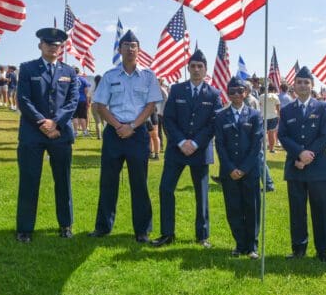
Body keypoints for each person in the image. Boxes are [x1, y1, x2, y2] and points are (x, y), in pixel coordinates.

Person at [89, 30, 162, 241]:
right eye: (126, 45)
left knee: (139, 183)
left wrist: (131, 126)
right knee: (108, 182)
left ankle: (142, 230)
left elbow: (151, 105)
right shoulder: (110, 76)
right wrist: (119, 126)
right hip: (114, 133)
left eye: (134, 45)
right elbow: (100, 105)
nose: (130, 49)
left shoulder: (148, 76)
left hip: (137, 133)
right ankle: (103, 227)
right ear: (119, 49)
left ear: (139, 50)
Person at [151, 49, 222, 248]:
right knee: (166, 189)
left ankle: (202, 236)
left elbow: (213, 123)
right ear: (188, 68)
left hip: (200, 151)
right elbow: (169, 120)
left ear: (206, 70)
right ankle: (167, 233)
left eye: (200, 66)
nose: (196, 69)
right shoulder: (176, 90)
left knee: (202, 194)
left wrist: (196, 143)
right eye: (193, 66)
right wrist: (182, 142)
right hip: (177, 150)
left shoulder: (214, 94)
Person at [15, 28, 79, 243]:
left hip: (59, 133)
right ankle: (24, 228)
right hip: (33, 133)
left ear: (62, 48)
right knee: (29, 180)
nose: (53, 47)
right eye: (49, 43)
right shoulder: (27, 68)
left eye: (58, 44)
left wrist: (55, 122)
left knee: (63, 180)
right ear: (40, 45)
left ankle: (65, 225)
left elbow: (72, 102)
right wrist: (42, 122)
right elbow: (23, 99)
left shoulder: (69, 72)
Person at [277, 66, 326, 265]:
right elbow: (282, 135)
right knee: (297, 210)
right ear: (294, 85)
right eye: (299, 82)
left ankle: (323, 250)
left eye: (306, 82)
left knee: (320, 210)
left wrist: (307, 155)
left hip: (317, 167)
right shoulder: (286, 110)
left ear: (312, 85)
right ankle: (298, 248)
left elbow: (325, 135)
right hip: (295, 166)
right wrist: (299, 153)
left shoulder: (322, 108)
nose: (303, 85)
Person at [214, 77, 263, 259]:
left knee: (252, 207)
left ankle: (252, 246)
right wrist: (230, 168)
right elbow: (220, 145)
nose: (236, 95)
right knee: (233, 208)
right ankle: (239, 244)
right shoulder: (220, 116)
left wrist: (243, 168)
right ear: (227, 93)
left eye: (239, 91)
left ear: (246, 93)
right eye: (232, 91)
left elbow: (256, 145)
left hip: (249, 171)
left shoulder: (254, 115)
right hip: (229, 172)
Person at [261, 84, 280, 153]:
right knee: (271, 134)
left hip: (263, 116)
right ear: (274, 90)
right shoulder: (275, 96)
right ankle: (271, 149)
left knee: (263, 133)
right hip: (273, 117)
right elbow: (278, 108)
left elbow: (260, 106)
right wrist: (279, 117)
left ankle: (263, 148)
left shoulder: (262, 96)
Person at [73, 67, 91, 137]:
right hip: (82, 100)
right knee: (82, 117)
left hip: (73, 100)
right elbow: (86, 91)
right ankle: (84, 132)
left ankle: (75, 132)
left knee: (74, 117)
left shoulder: (71, 79)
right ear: (79, 72)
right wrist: (88, 101)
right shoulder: (83, 80)